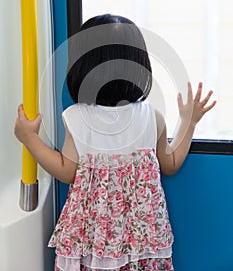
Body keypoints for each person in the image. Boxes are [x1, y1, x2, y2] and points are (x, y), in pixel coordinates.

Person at [14, 14, 216, 271]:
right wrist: (188, 122)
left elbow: (66, 171)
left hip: (92, 242)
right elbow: (171, 163)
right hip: (143, 242)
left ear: (82, 66)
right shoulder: (150, 116)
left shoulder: (77, 117)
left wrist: (29, 138)